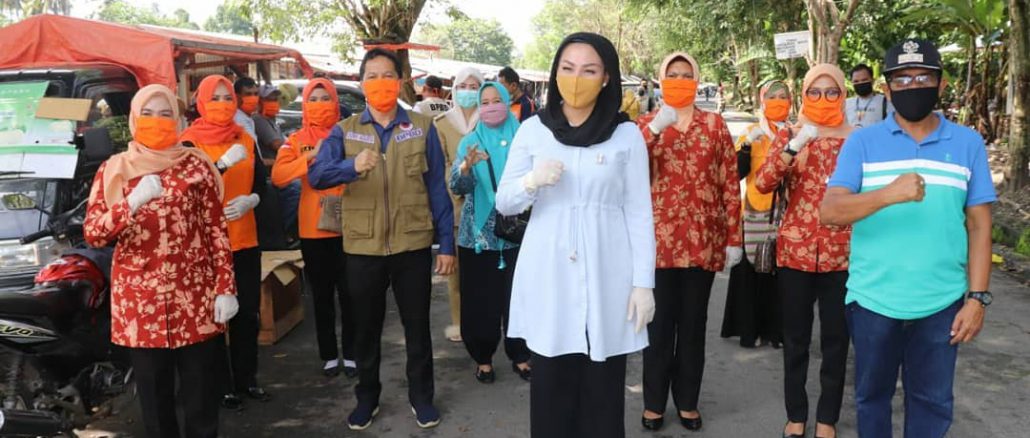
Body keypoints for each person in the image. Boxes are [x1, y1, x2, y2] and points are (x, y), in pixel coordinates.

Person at [821, 39, 996, 438]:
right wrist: (888, 193)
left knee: (932, 404)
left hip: (942, 305)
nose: (912, 86)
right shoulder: (862, 143)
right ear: (886, 88)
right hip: (873, 302)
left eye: (922, 78)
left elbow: (979, 225)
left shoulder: (967, 143)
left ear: (941, 84)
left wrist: (977, 298)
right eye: (901, 79)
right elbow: (830, 211)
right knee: (872, 400)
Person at [495, 32, 656, 438]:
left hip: (608, 274)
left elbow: (639, 212)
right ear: (555, 73)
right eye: (568, 68)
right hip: (549, 275)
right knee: (551, 390)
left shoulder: (626, 136)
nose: (576, 78)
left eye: (589, 70)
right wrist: (532, 181)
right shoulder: (534, 130)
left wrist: (643, 283)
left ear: (606, 78)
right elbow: (505, 202)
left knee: (602, 394)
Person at [307, 48, 455, 430]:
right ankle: (367, 398)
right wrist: (351, 166)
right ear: (361, 83)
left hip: (412, 244)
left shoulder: (422, 127)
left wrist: (447, 244)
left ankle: (422, 398)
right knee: (365, 329)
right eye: (371, 76)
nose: (380, 82)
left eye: (387, 75)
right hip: (363, 247)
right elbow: (317, 176)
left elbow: (437, 188)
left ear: (400, 80)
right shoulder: (345, 129)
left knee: (417, 328)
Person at [84, 84, 237, 438]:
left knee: (201, 400)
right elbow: (94, 234)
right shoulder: (114, 169)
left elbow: (215, 230)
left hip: (195, 299)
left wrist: (225, 288)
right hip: (142, 305)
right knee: (155, 405)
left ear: (178, 119)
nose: (157, 121)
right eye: (148, 114)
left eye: (165, 114)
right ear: (135, 119)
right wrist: (130, 203)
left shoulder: (195, 165)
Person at [636, 52, 742, 433]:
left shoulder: (714, 125)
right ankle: (653, 403)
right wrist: (654, 129)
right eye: (673, 74)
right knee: (658, 328)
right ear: (660, 79)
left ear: (696, 80)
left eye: (686, 74)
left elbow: (730, 182)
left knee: (693, 327)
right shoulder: (645, 125)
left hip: (702, 243)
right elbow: (624, 170)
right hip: (657, 245)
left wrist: (734, 237)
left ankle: (687, 401)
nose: (680, 80)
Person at [753, 64, 854, 438]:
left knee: (835, 341)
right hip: (795, 252)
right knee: (795, 340)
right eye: (815, 92)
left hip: (842, 254)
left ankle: (827, 418)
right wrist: (793, 148)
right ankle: (796, 414)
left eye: (831, 92)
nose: (823, 99)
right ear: (804, 95)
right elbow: (763, 183)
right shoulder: (790, 134)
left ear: (842, 95)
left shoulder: (856, 140)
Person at [181, 75, 272, 410]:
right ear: (202, 102)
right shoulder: (188, 143)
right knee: (214, 317)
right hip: (206, 245)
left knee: (247, 313)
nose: (222, 104)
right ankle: (220, 386)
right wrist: (220, 166)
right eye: (215, 98)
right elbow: (188, 193)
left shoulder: (245, 138)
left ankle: (247, 379)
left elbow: (261, 183)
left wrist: (252, 199)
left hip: (245, 239)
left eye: (227, 97)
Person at [271, 78, 358, 379]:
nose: (320, 105)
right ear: (305, 104)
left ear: (336, 102)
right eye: (314, 99)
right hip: (313, 230)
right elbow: (279, 176)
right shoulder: (296, 139)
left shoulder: (348, 133)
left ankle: (352, 353)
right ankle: (329, 355)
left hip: (349, 226)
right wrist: (309, 157)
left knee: (350, 295)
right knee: (321, 296)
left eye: (326, 98)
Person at [449, 81, 532, 384]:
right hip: (478, 237)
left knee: (519, 296)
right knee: (479, 300)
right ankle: (482, 357)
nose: (491, 107)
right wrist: (466, 168)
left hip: (519, 231)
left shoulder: (525, 137)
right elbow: (457, 187)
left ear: (507, 101)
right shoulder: (470, 142)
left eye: (497, 100)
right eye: (484, 102)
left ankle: (521, 354)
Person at [720, 80, 791, 350]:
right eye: (773, 96)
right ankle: (751, 331)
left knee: (779, 275)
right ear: (763, 100)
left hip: (786, 213)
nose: (778, 101)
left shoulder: (796, 132)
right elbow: (736, 173)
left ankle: (777, 332)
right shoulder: (751, 132)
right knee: (752, 274)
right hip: (755, 212)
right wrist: (748, 146)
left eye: (783, 96)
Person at [434, 67, 485, 343]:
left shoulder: (489, 120)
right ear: (454, 90)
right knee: (456, 274)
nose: (468, 91)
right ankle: (459, 323)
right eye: (463, 86)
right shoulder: (442, 123)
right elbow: (441, 166)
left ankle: (485, 323)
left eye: (474, 86)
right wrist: (459, 179)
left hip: (486, 204)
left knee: (484, 272)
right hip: (455, 207)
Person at [845, 64, 890, 129]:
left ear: (872, 80)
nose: (860, 83)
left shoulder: (885, 101)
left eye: (864, 80)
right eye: (856, 81)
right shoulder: (846, 104)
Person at [254, 83, 285, 166]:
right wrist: (299, 148)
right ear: (259, 101)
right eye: (268, 100)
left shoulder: (272, 120)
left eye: (275, 99)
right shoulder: (259, 120)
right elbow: (277, 145)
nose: (273, 103)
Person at [234, 77, 259, 143]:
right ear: (237, 97)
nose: (253, 98)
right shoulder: (238, 119)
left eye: (256, 94)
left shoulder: (246, 117)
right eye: (248, 94)